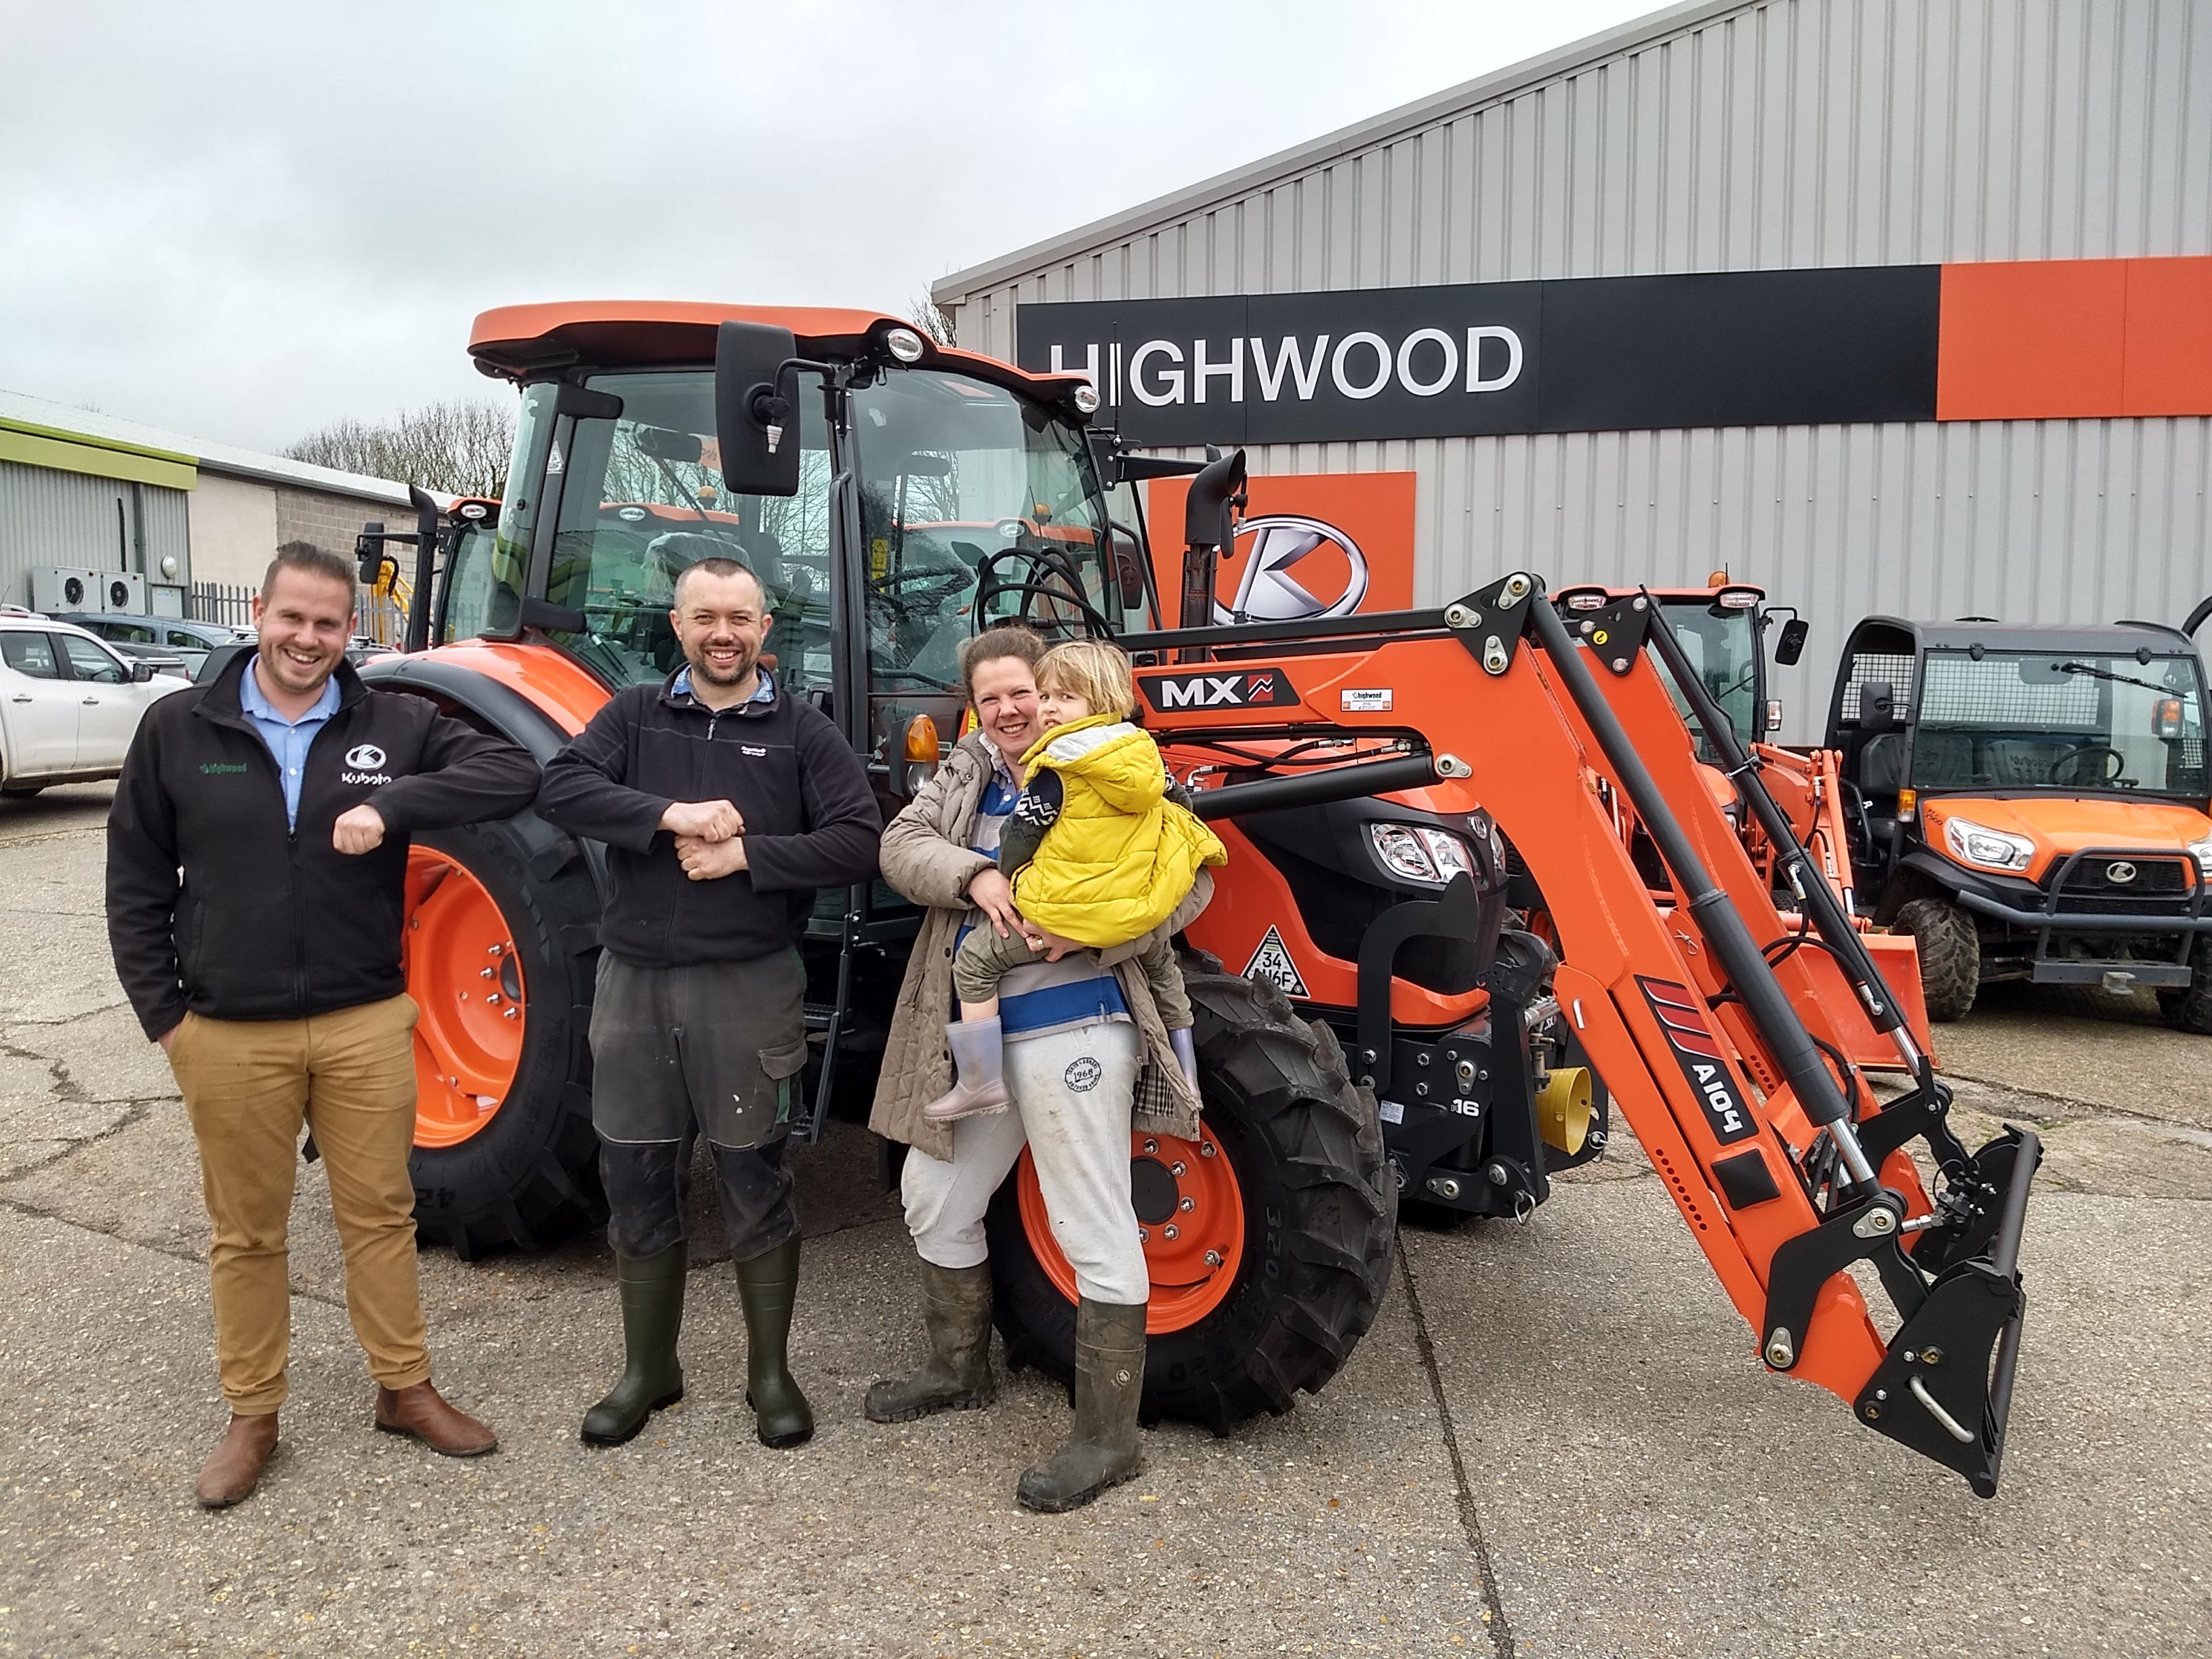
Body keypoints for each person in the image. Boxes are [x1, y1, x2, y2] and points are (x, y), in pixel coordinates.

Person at [105, 541, 543, 1509]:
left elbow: (515, 774)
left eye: (328, 624)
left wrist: (395, 807)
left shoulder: (394, 719)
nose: (308, 639)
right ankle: (253, 1414)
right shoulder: (180, 728)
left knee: (380, 1216)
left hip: (363, 1023)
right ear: (260, 613)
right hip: (228, 1032)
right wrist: (167, 1021)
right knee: (247, 1233)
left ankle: (404, 1387)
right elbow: (134, 882)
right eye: (292, 619)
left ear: (354, 631)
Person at [865, 625, 1213, 1513]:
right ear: (977, 709)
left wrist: (1103, 929)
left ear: (1062, 692)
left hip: (1077, 1022)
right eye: (996, 700)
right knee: (934, 1196)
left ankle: (1108, 1440)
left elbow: (1196, 877)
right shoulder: (968, 774)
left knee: (1087, 1214)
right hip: (979, 1031)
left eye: (1030, 692)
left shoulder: (1117, 768)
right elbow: (901, 848)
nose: (1018, 710)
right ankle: (957, 1368)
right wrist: (978, 875)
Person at [535, 557, 880, 1452]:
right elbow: (562, 786)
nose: (721, 633)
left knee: (754, 1174)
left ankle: (770, 1375)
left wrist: (748, 858)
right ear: (678, 626)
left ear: (766, 628)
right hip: (635, 984)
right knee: (636, 1175)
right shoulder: (634, 716)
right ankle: (650, 1370)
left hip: (749, 984)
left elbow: (857, 839)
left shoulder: (804, 732)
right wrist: (675, 817)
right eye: (703, 617)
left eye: (738, 617)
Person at [924, 638, 1220, 1122]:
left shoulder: (1057, 764)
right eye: (1046, 697)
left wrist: (1006, 874)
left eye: (1057, 697)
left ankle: (980, 1081)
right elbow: (1179, 808)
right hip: (1129, 907)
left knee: (975, 962)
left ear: (1098, 701)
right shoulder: (1144, 754)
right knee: (1165, 967)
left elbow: (1024, 832)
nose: (1045, 709)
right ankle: (1186, 1072)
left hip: (1063, 922)